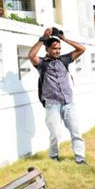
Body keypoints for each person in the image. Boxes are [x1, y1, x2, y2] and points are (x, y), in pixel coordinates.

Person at [28, 28, 86, 164]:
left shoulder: (64, 60)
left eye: (59, 48)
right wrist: (43, 38)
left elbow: (81, 49)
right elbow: (31, 56)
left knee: (76, 132)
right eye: (54, 48)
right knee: (55, 134)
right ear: (47, 49)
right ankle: (54, 157)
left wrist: (64, 39)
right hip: (52, 104)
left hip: (68, 103)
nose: (58, 51)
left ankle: (80, 158)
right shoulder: (41, 63)